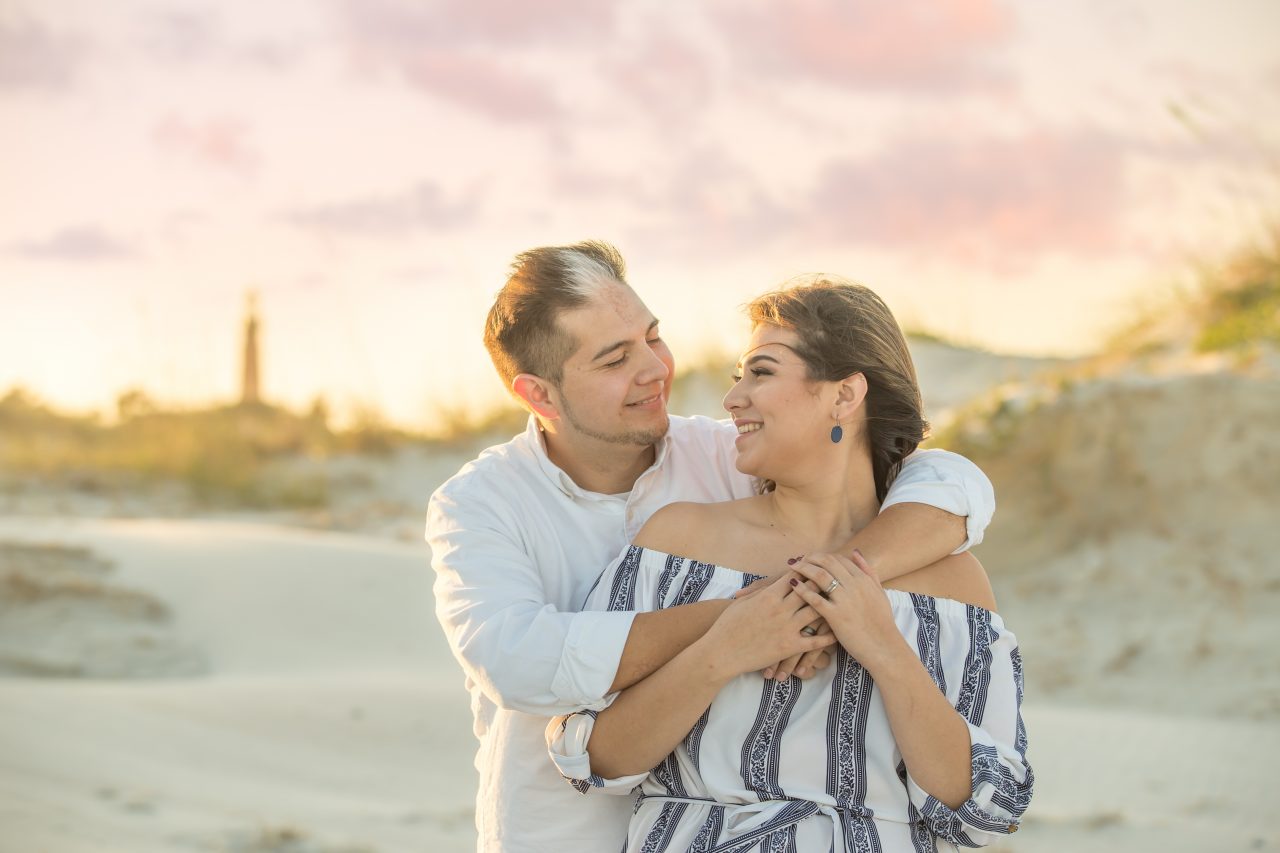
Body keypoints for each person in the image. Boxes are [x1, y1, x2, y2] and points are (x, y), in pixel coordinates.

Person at [426, 242, 996, 852]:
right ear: (540, 396)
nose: (655, 369)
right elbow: (519, 661)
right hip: (560, 833)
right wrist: (750, 619)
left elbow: (949, 484)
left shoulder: (731, 456)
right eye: (617, 358)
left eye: (653, 337)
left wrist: (833, 587)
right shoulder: (479, 503)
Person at [547, 277, 1032, 851]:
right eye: (737, 377)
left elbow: (986, 810)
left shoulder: (950, 584)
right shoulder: (677, 543)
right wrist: (724, 649)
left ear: (845, 396)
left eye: (762, 372)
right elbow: (589, 757)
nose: (733, 400)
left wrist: (881, 645)